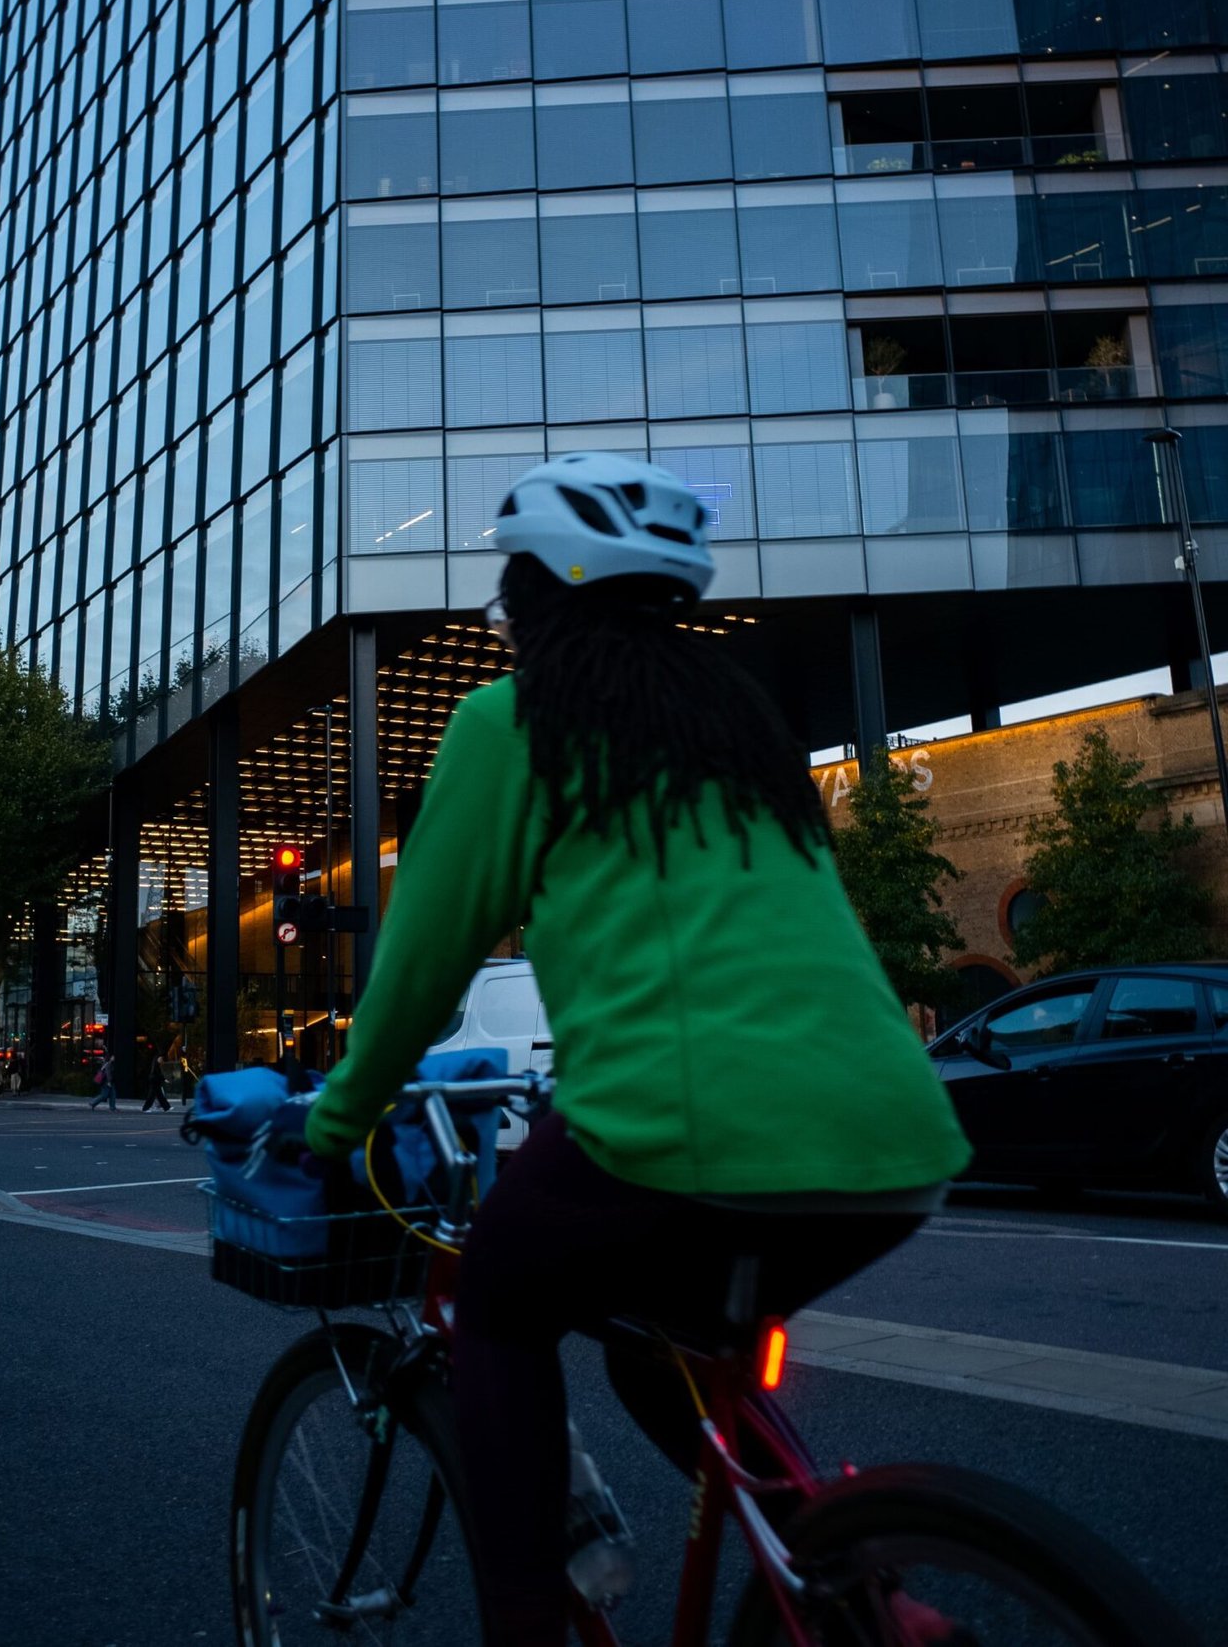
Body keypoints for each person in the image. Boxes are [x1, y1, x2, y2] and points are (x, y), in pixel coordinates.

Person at [301, 453, 970, 1647]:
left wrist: (338, 1119)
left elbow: (421, 963)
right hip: (897, 1129)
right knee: (662, 1346)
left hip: (686, 1121)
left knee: (501, 1308)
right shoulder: (738, 720)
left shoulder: (515, 720)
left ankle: (527, 1631)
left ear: (539, 590)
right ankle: (856, 1591)